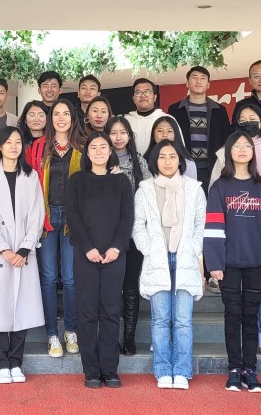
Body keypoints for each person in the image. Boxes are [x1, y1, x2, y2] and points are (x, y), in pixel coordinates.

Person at [204, 131, 261, 393]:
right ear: (229, 152)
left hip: (257, 262)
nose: (241, 150)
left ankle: (251, 369)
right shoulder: (219, 187)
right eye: (236, 146)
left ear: (252, 152)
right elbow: (213, 229)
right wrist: (214, 263)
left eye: (246, 146)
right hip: (228, 264)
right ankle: (234, 369)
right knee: (232, 315)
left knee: (251, 317)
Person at [211, 102, 261, 354]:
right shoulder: (222, 155)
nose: (248, 120)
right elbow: (216, 194)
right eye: (242, 117)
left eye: (252, 117)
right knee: (236, 305)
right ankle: (239, 359)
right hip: (235, 229)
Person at [133, 139, 206, 390]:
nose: (167, 161)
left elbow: (201, 225)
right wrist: (150, 250)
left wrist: (194, 249)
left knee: (183, 319)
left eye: (172, 156)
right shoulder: (145, 189)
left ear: (180, 160)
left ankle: (182, 371)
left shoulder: (194, 189)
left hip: (184, 257)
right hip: (157, 259)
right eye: (162, 156)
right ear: (155, 160)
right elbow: (137, 226)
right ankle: (163, 370)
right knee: (161, 319)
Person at [0, 127, 45, 384]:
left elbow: (37, 214)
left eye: (18, 142)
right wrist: (3, 248)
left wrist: (25, 248)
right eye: (8, 142)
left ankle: (17, 361)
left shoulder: (31, 176)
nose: (14, 146)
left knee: (22, 305)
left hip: (24, 252)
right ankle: (1, 362)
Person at [65, 132, 133, 388]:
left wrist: (117, 247)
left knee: (111, 312)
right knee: (87, 313)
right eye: (93, 147)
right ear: (87, 153)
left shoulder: (122, 182)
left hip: (115, 255)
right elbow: (73, 216)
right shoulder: (77, 181)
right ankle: (91, 371)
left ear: (110, 151)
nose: (98, 151)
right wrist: (88, 248)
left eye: (103, 147)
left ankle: (110, 369)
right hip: (86, 255)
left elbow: (127, 218)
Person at [26, 99, 84, 358]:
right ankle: (51, 334)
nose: (61, 118)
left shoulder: (83, 147)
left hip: (74, 219)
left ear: (73, 118)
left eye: (66, 113)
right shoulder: (38, 147)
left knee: (71, 279)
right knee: (48, 278)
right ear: (50, 119)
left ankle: (71, 330)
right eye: (56, 113)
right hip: (46, 218)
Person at [105, 116, 150, 355]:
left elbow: (146, 197)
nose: (119, 137)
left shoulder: (139, 162)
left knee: (131, 285)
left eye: (123, 132)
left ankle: (129, 337)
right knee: (111, 286)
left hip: (133, 233)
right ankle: (110, 337)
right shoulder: (100, 158)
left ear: (130, 136)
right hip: (107, 233)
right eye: (113, 133)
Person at [167, 66, 231, 190]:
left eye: (203, 78)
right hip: (184, 167)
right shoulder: (175, 109)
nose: (198, 81)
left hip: (212, 168)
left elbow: (226, 140)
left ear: (208, 84)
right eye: (194, 78)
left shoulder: (219, 110)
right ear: (187, 83)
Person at [143, 116, 198, 181]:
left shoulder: (188, 163)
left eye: (169, 131)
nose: (165, 135)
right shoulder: (144, 162)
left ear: (176, 134)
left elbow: (192, 188)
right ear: (153, 134)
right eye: (160, 131)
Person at [123, 78, 166, 157]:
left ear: (155, 97)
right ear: (133, 99)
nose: (143, 95)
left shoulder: (166, 120)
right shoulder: (125, 121)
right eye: (138, 92)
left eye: (147, 92)